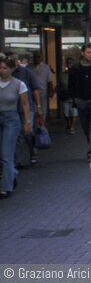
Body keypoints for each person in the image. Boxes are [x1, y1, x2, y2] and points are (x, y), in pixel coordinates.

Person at [0, 55, 33, 199]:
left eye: (5, 68)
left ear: (12, 69)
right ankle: (12, 174)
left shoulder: (19, 84)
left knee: (6, 154)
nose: (2, 71)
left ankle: (6, 187)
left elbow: (25, 104)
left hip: (11, 120)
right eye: (0, 68)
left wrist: (27, 122)